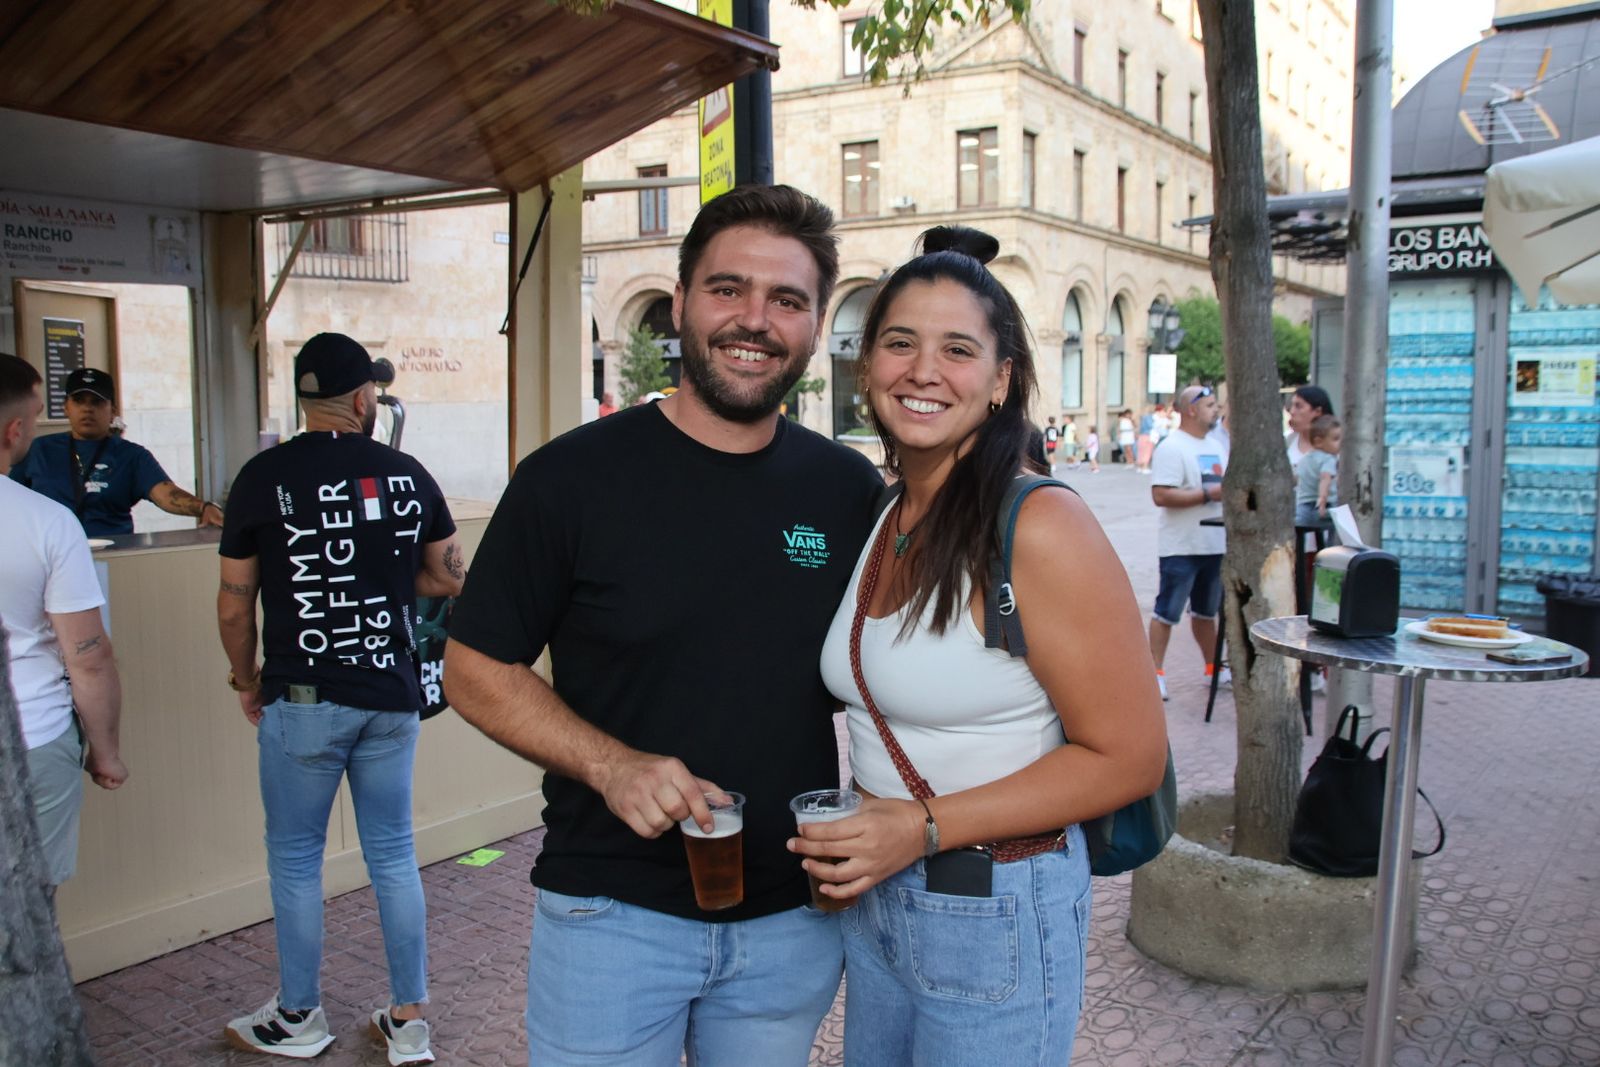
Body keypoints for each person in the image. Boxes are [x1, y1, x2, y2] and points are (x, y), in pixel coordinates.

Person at [443, 185, 883, 1066]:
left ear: (815, 324)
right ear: (679, 304)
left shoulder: (848, 491)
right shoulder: (569, 479)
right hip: (610, 914)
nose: (754, 320)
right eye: (728, 290)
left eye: (787, 300)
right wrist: (612, 764)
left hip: (790, 923)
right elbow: (472, 666)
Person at [789, 226, 1167, 1065]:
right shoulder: (887, 511)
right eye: (899, 343)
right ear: (866, 367)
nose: (923, 371)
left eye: (958, 349)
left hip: (994, 898)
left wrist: (919, 828)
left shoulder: (1041, 523)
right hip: (884, 898)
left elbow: (1129, 756)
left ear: (1000, 381)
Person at [217, 333, 463, 1064]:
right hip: (388, 698)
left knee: (296, 859)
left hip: (302, 699)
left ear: (305, 398)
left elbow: (235, 605)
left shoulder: (263, 476)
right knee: (393, 853)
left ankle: (299, 1016)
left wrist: (244, 677)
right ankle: (408, 1020)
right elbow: (449, 575)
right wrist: (383, 589)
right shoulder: (405, 471)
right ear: (364, 401)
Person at [0, 354, 127, 892]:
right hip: (31, 734)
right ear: (15, 429)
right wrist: (106, 752)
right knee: (28, 908)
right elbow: (88, 658)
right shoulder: (48, 523)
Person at [10, 367, 223, 536]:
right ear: (66, 407)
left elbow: (166, 495)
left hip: (114, 556)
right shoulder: (39, 449)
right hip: (50, 557)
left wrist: (204, 507)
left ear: (112, 410)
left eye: (97, 402)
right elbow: (11, 500)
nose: (87, 409)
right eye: (79, 401)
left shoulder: (132, 456)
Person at [1147, 385, 1228, 701]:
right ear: (1191, 410)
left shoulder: (1217, 445)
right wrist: (1208, 495)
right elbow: (1161, 494)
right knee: (1167, 612)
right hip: (1181, 546)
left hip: (1214, 544)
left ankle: (1213, 669)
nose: (1216, 409)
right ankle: (1155, 674)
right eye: (1210, 405)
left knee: (1206, 614)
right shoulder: (1172, 447)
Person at [1295, 414, 1342, 527]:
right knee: (1340, 522)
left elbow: (1297, 478)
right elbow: (1325, 478)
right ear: (1318, 442)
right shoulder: (1328, 459)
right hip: (1323, 506)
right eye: (1336, 439)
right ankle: (1333, 544)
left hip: (1302, 509)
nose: (1341, 443)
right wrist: (1322, 498)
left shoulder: (1304, 459)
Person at [1284, 384, 1335, 473]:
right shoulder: (1288, 439)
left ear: (1317, 411)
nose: (1292, 411)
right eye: (1292, 406)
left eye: (1298, 406)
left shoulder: (1335, 445)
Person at [1135, 405, 1157, 473]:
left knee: (1140, 452)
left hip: (1142, 436)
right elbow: (1151, 426)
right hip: (1148, 435)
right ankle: (1145, 467)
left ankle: (1140, 467)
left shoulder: (1142, 417)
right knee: (1147, 452)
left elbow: (1139, 428)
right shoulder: (1150, 417)